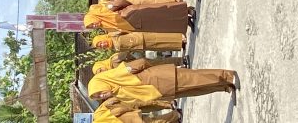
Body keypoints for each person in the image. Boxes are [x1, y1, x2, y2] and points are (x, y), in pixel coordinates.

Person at [88, 59, 238, 104]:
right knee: (196, 90)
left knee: (196, 78)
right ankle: (224, 86)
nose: (102, 95)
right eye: (98, 97)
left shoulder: (117, 74)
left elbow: (141, 63)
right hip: (163, 92)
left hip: (163, 78)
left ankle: (228, 76)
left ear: (102, 83)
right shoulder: (119, 95)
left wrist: (156, 72)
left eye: (99, 92)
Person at [84, 0, 193, 33]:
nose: (94, 25)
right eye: (92, 27)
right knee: (163, 25)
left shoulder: (102, 11)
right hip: (139, 26)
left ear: (94, 18)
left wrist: (130, 9)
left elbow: (119, 3)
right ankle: (185, 21)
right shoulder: (105, 27)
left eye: (92, 23)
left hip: (136, 14)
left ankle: (187, 10)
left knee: (162, 12)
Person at [94, 97, 181, 123]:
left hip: (131, 118)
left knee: (154, 121)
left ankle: (176, 114)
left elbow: (117, 111)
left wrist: (129, 109)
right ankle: (175, 116)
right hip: (131, 117)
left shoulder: (99, 120)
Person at [92, 52, 185, 75]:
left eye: (100, 70)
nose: (102, 71)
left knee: (159, 63)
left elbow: (126, 54)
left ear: (101, 65)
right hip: (139, 72)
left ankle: (180, 61)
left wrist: (137, 60)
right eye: (99, 73)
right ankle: (181, 69)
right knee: (159, 71)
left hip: (140, 63)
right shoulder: (112, 73)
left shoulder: (113, 60)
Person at [92, 30, 187, 52]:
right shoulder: (113, 48)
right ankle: (178, 45)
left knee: (159, 38)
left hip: (140, 37)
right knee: (159, 46)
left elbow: (124, 30)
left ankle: (180, 38)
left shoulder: (111, 35)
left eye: (101, 42)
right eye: (101, 46)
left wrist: (135, 34)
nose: (103, 44)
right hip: (140, 46)